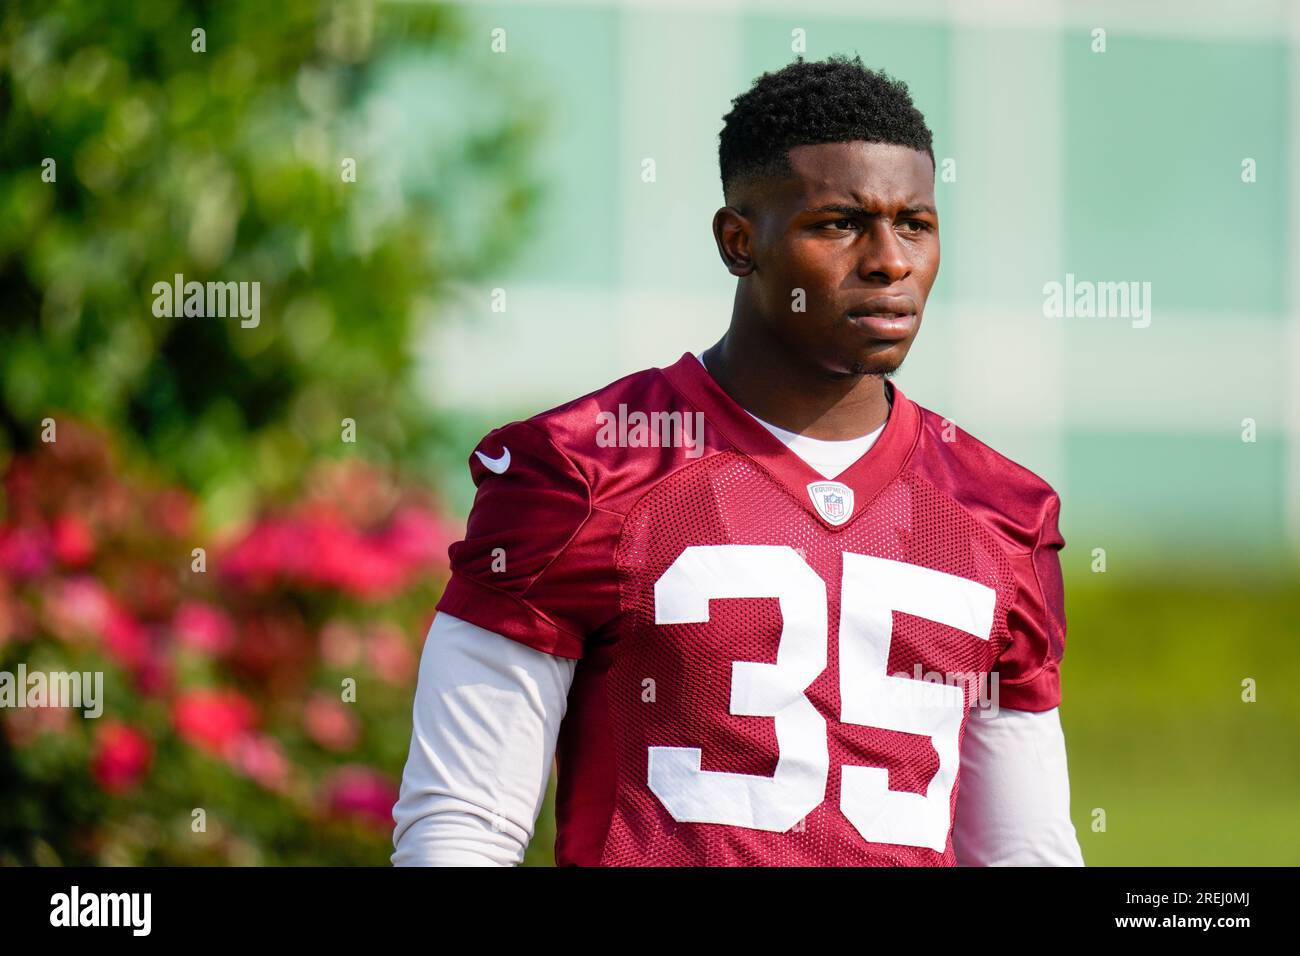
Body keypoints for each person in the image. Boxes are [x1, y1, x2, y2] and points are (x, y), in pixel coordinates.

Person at [392, 54, 1084, 866]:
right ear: (738, 242)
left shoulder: (1002, 513)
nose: (889, 260)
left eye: (915, 224)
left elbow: (1025, 850)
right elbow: (463, 826)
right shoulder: (584, 470)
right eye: (838, 223)